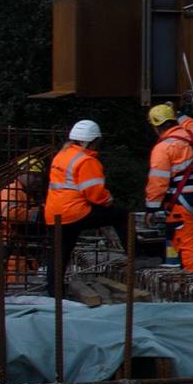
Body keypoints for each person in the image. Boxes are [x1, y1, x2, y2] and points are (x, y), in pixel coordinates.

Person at [45, 119, 125, 298]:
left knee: (59, 254)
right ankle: (135, 255)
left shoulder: (62, 155)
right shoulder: (87, 161)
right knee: (120, 215)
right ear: (93, 141)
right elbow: (95, 193)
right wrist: (109, 201)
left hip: (54, 213)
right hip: (75, 212)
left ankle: (54, 293)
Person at [141, 103, 193, 271]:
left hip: (182, 204)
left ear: (156, 127)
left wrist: (151, 209)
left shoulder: (163, 148)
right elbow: (192, 124)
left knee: (188, 246)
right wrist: (179, 113)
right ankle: (191, 277)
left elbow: (158, 181)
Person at [0, 154, 45, 289]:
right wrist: (37, 214)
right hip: (12, 248)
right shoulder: (10, 191)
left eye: (39, 176)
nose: (38, 180)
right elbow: (8, 213)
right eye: (35, 175)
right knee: (15, 288)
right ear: (22, 173)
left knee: (26, 285)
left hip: (24, 247)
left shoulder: (27, 193)